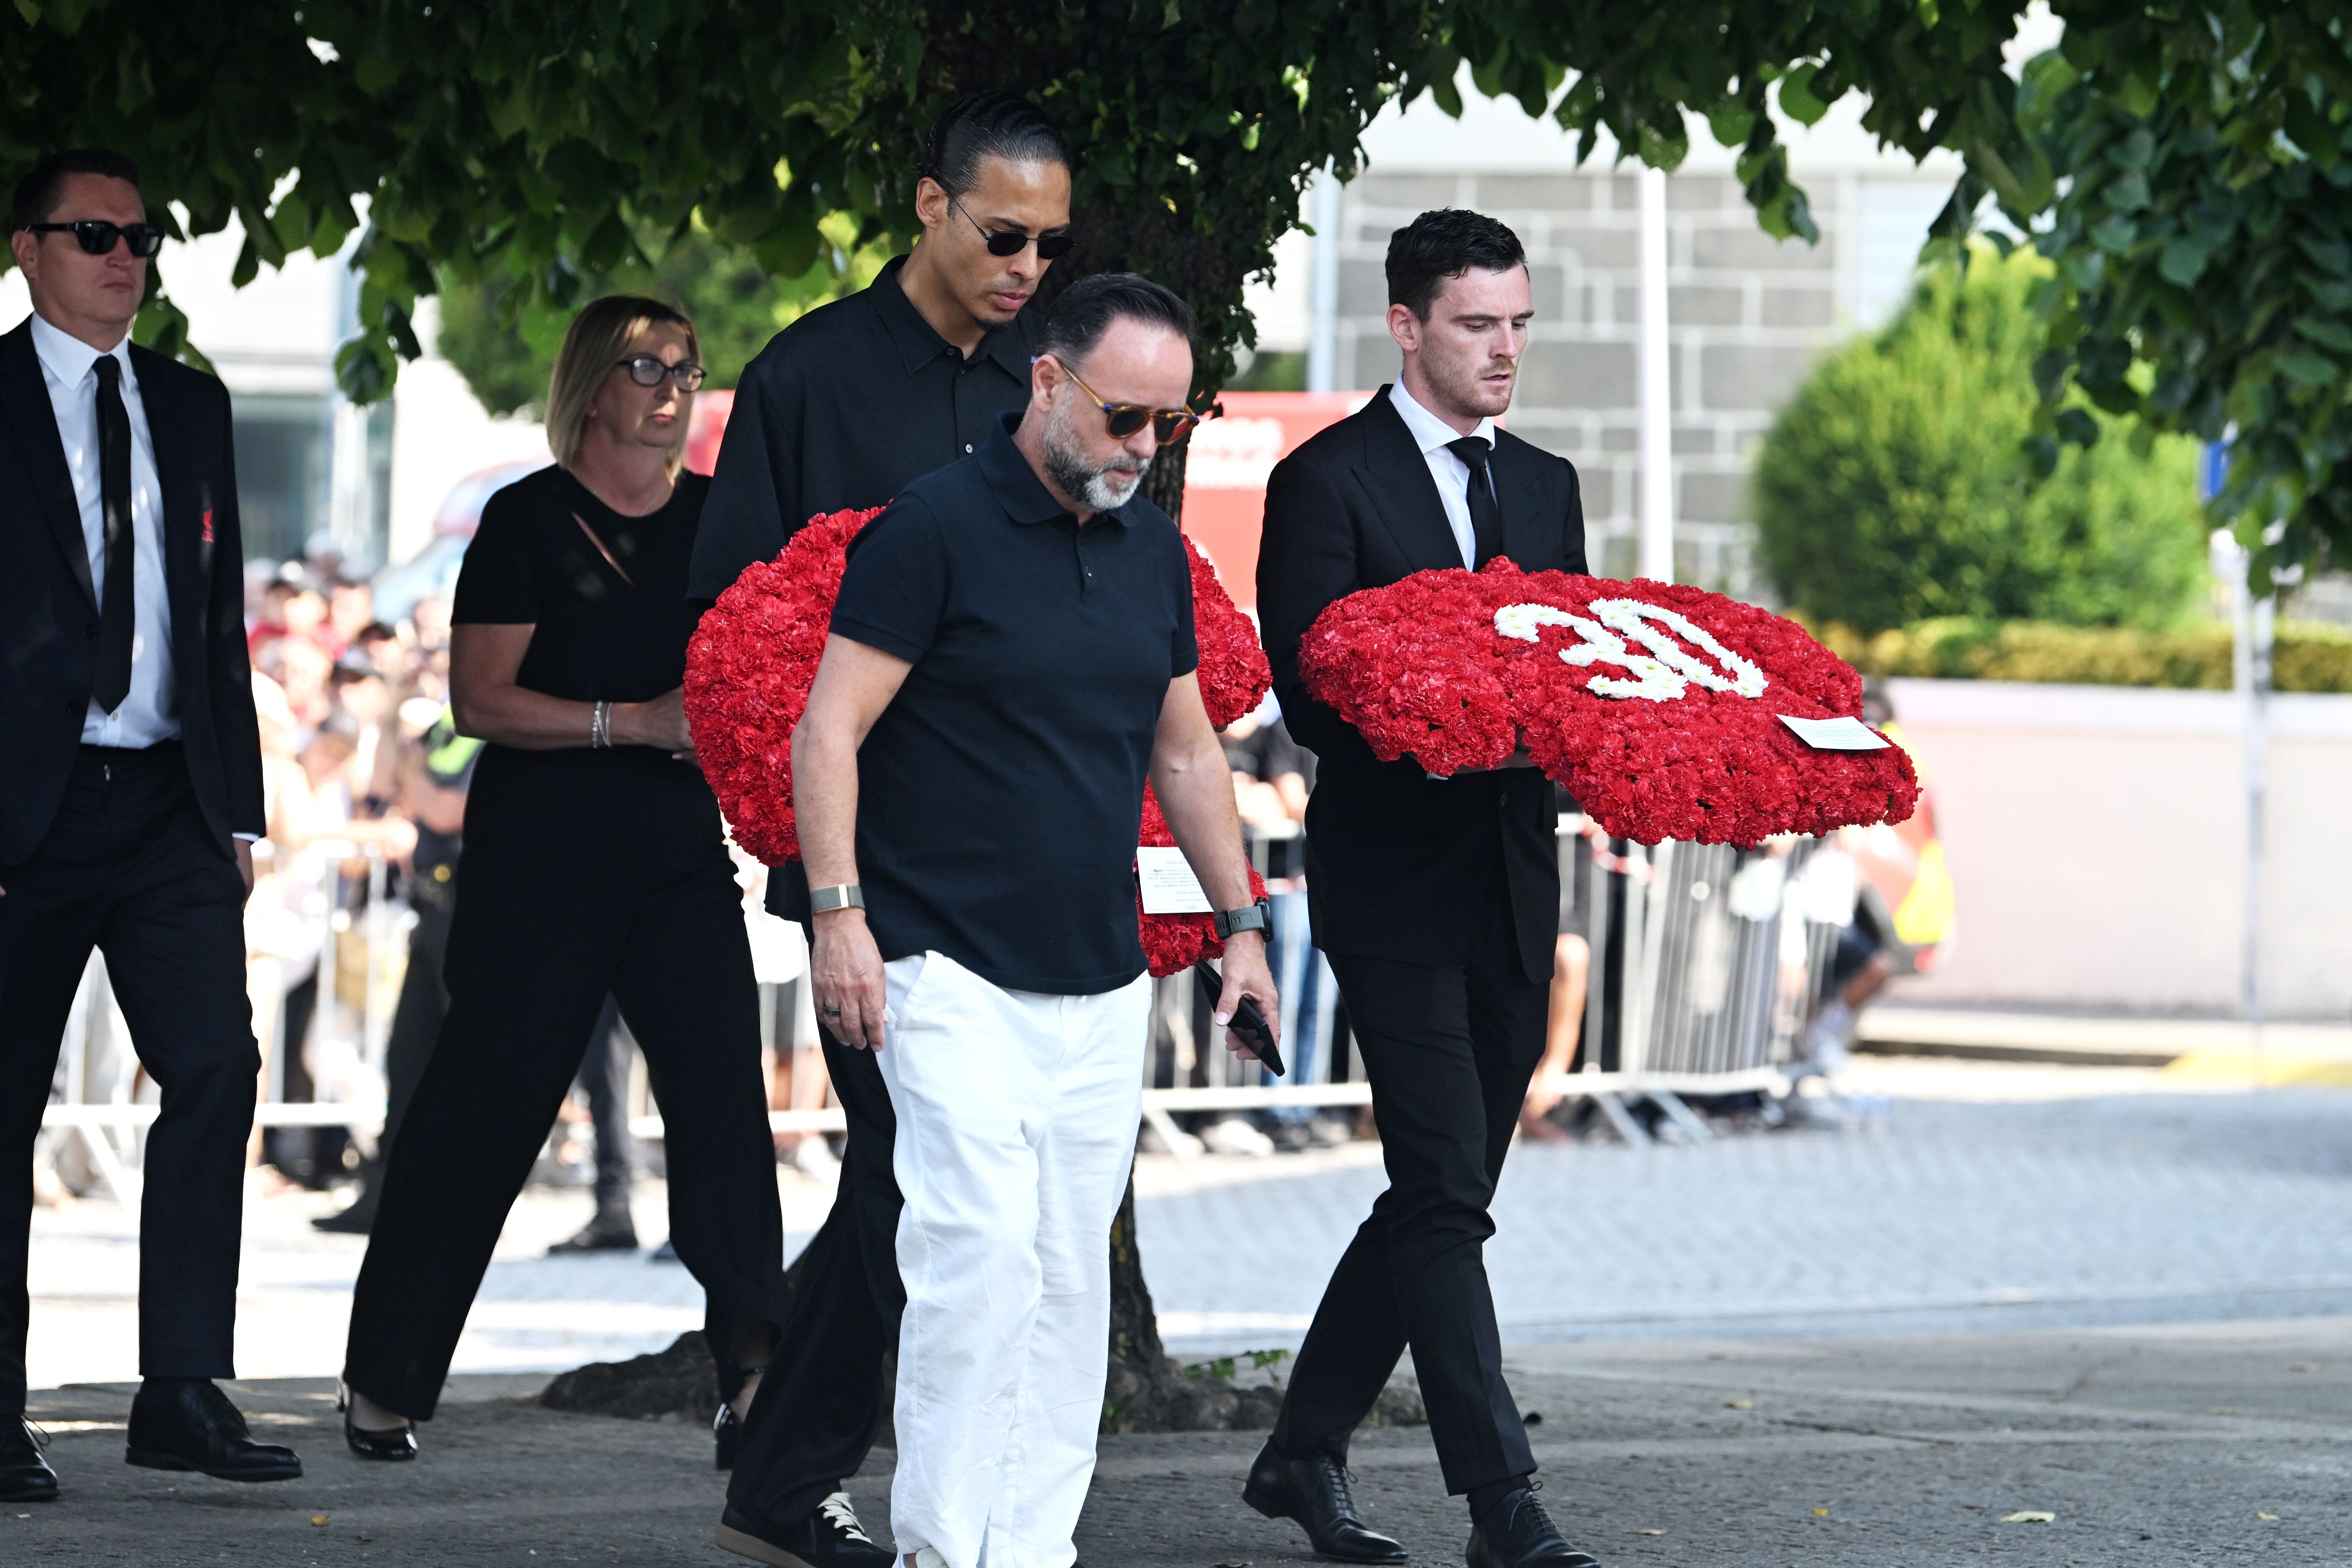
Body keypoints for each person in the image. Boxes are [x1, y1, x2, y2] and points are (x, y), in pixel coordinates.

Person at [792, 271, 1276, 1568]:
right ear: (1048, 382)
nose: (1145, 445)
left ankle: (1030, 1550)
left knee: (1066, 1280)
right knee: (981, 1260)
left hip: (1100, 979)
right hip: (943, 965)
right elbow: (829, 729)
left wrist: (1243, 927)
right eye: (1126, 417)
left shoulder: (1153, 550)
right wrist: (839, 917)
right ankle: (944, 1550)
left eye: (1171, 423)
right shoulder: (931, 529)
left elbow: (1187, 752)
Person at [692, 90, 1073, 1567]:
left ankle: (788, 1464)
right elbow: (733, 632)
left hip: (1019, 842)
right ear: (929, 205)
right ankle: (796, 1470)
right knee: (918, 1155)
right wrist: (816, 865)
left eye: (1049, 244)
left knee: (928, 1167)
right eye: (1003, 235)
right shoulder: (809, 375)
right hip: (865, 851)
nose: (1028, 267)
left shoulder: (1049, 382)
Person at [337, 296, 785, 1467]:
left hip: (678, 855)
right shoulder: (524, 519)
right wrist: (631, 721)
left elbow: (750, 677)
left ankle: (754, 1373)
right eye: (649, 366)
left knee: (722, 1104)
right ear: (592, 384)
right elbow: (479, 701)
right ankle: (384, 1379)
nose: (675, 387)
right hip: (538, 858)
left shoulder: (718, 520)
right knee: (481, 1109)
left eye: (687, 367)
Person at [1252, 209, 1598, 1568]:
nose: (1505, 349)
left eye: (1520, 324)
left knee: (1438, 1197)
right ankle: (1502, 1501)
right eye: (1477, 324)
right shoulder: (1325, 481)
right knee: (1447, 1194)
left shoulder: (1550, 484)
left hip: (1514, 883)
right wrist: (1458, 723)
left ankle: (1302, 1450)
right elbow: (1311, 694)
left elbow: (1577, 673)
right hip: (1391, 883)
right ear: (1406, 326)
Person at [0, 148, 300, 1499]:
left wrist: (234, 808)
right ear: (28, 250)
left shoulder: (189, 401)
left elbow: (216, 616)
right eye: (96, 235)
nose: (126, 257)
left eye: (141, 237)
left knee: (217, 1067)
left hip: (172, 799)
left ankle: (180, 1388)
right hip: (27, 806)